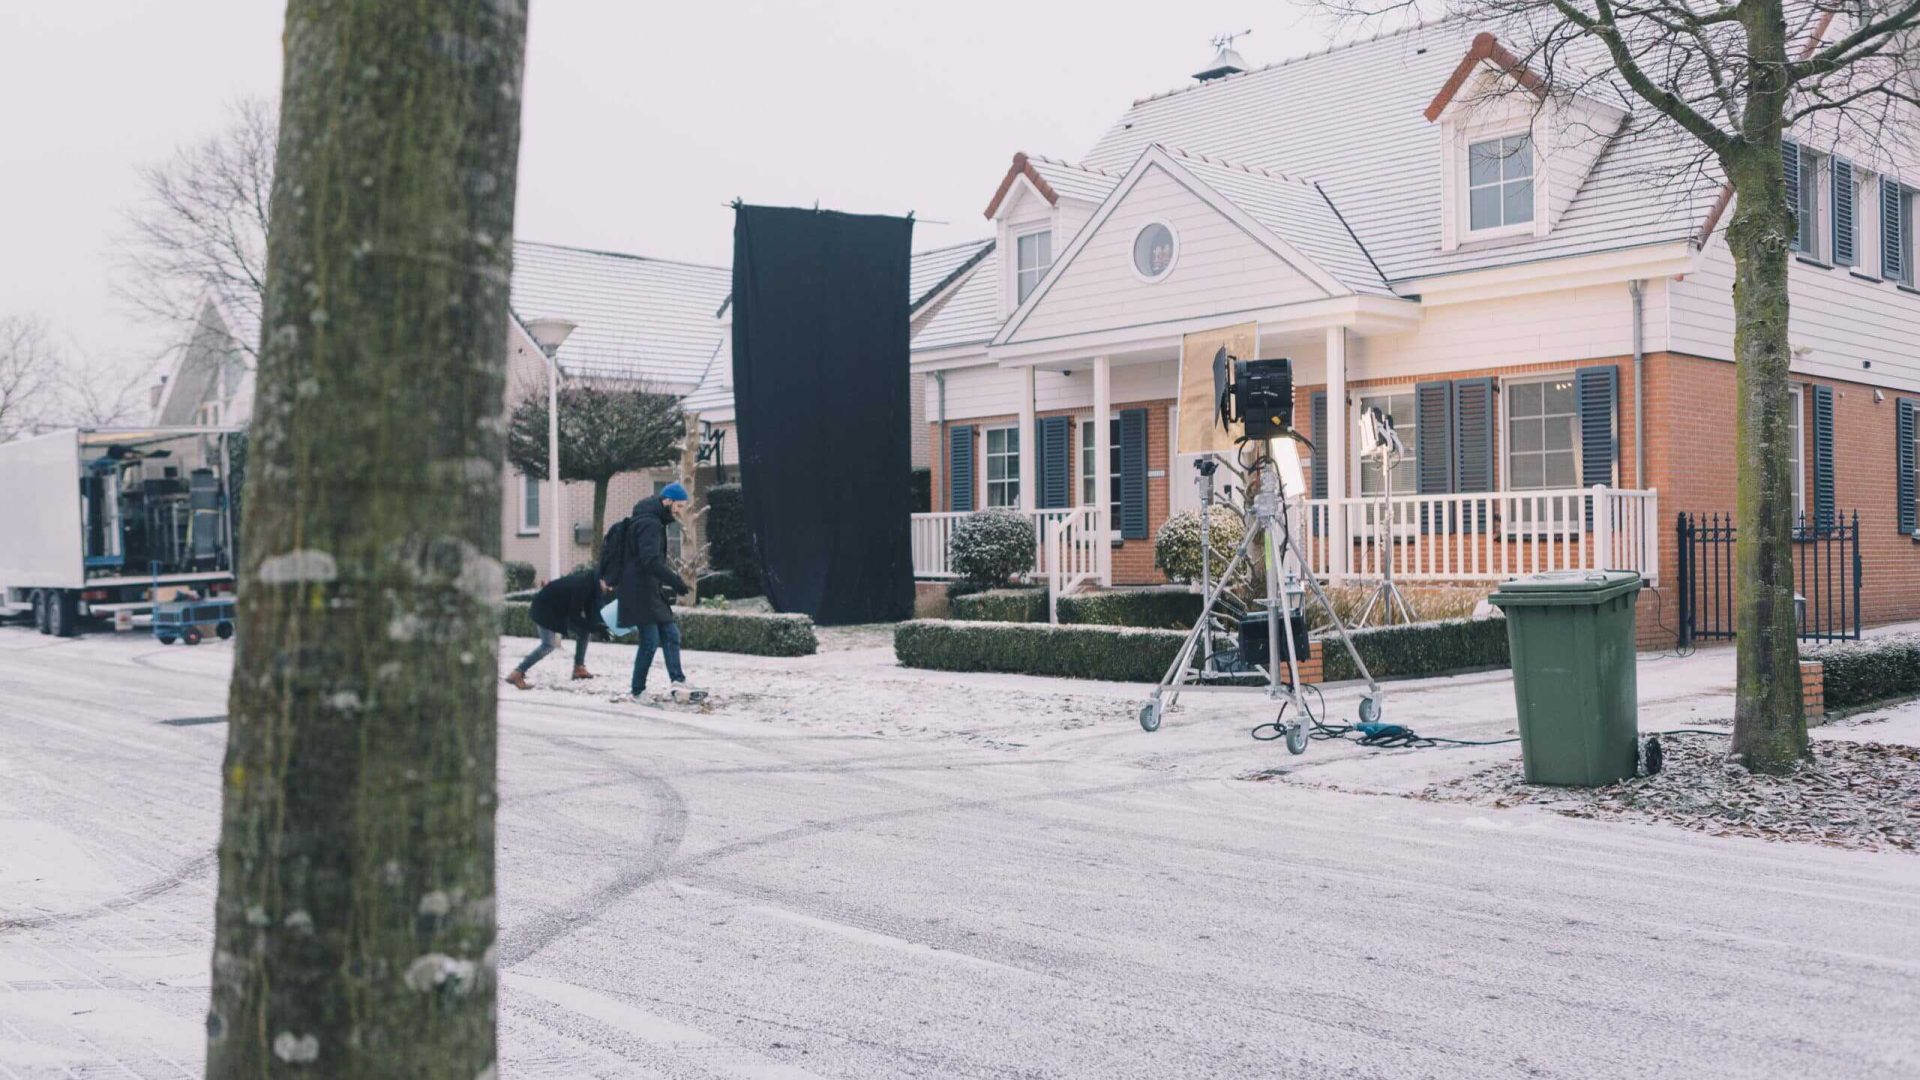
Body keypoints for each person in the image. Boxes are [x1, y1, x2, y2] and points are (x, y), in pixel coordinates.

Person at [608, 482, 692, 699]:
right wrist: (676, 581)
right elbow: (650, 561)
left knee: (671, 634)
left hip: (648, 589)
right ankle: (638, 690)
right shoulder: (650, 524)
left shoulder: (650, 519)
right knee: (650, 640)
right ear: (668, 501)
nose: (679, 511)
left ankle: (678, 682)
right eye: (678, 506)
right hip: (639, 591)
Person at [504, 568, 606, 690]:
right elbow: (575, 617)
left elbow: (589, 614)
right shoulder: (583, 586)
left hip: (557, 611)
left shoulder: (590, 585)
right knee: (548, 645)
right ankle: (517, 673)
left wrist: (597, 626)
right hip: (545, 610)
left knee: (584, 631)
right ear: (600, 580)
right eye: (608, 585)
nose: (609, 588)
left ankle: (579, 668)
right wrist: (594, 627)